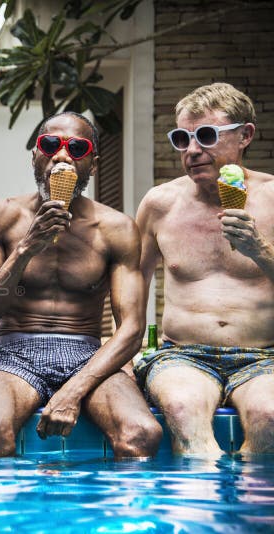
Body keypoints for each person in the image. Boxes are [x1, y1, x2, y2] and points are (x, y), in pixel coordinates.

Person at [0, 111, 162, 458]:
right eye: (51, 144)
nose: (61, 155)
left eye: (77, 147)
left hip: (88, 354)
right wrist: (26, 249)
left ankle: (116, 514)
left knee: (141, 434)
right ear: (35, 155)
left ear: (93, 164)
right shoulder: (1, 216)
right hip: (15, 352)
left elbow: (132, 329)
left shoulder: (116, 228)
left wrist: (75, 389)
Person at [135, 82, 274, 455]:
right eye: (183, 138)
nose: (193, 151)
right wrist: (124, 350)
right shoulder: (160, 204)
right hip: (182, 354)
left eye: (207, 136)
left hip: (265, 355)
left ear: (245, 135)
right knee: (182, 410)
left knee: (270, 415)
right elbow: (133, 284)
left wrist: (261, 252)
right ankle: (200, 509)